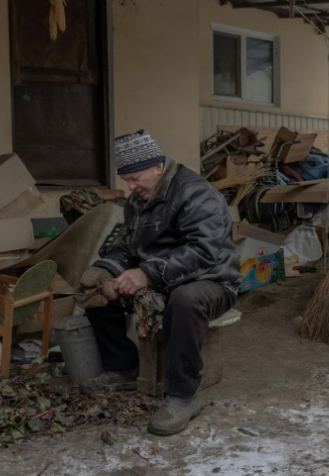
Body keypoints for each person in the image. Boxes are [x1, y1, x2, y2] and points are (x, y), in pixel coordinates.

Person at [77, 129, 242, 436]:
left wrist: (147, 273)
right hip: (162, 278)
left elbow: (203, 252)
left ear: (158, 167)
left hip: (213, 279)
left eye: (136, 177)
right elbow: (126, 245)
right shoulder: (137, 201)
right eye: (126, 179)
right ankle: (123, 366)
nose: (130, 186)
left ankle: (183, 396)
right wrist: (105, 269)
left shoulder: (196, 193)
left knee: (184, 299)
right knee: (97, 291)